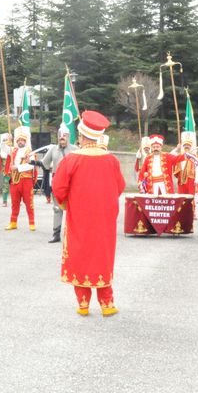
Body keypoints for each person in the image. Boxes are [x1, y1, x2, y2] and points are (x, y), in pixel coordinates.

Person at [53, 110, 125, 317]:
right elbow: (119, 187)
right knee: (102, 255)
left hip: (80, 218)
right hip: (104, 219)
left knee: (81, 255)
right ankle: (107, 303)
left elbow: (59, 189)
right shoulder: (111, 160)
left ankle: (83, 303)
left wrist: (69, 205)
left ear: (82, 136)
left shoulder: (71, 160)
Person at [37, 125, 78, 243]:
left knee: (73, 209)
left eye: (64, 135)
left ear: (68, 136)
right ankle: (56, 234)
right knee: (57, 208)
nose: (62, 137)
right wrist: (31, 162)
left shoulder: (75, 149)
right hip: (58, 182)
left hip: (72, 183)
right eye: (60, 135)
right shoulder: (53, 149)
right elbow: (44, 163)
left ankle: (72, 234)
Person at [5, 126, 35, 231]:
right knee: (14, 203)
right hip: (15, 180)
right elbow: (3, 150)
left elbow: (31, 166)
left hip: (26, 180)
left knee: (29, 202)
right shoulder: (13, 150)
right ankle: (13, 223)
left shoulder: (29, 151)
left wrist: (17, 167)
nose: (20, 142)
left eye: (22, 140)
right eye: (19, 140)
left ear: (25, 141)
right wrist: (6, 140)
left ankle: (32, 222)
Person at [174, 131, 198, 198]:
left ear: (190, 146)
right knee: (181, 197)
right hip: (181, 177)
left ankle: (190, 208)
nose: (186, 146)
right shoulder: (180, 155)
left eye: (188, 145)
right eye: (185, 145)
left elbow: (197, 168)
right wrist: (177, 149)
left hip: (190, 178)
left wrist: (197, 180)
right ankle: (182, 208)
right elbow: (172, 157)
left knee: (190, 196)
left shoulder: (194, 156)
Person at [0, 133, 12, 207]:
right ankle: (5, 201)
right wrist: (4, 141)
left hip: (15, 171)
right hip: (6, 171)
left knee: (15, 186)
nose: (8, 140)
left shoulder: (14, 148)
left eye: (9, 139)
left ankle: (17, 201)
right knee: (6, 186)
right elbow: (2, 146)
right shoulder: (3, 150)